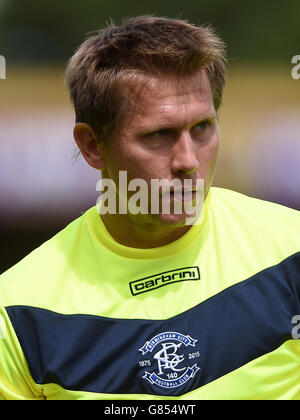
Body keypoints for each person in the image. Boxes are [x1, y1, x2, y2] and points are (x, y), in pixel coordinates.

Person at [0, 15, 299, 401]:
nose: (188, 160)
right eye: (159, 135)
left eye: (203, 128)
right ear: (92, 145)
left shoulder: (290, 250)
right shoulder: (18, 313)